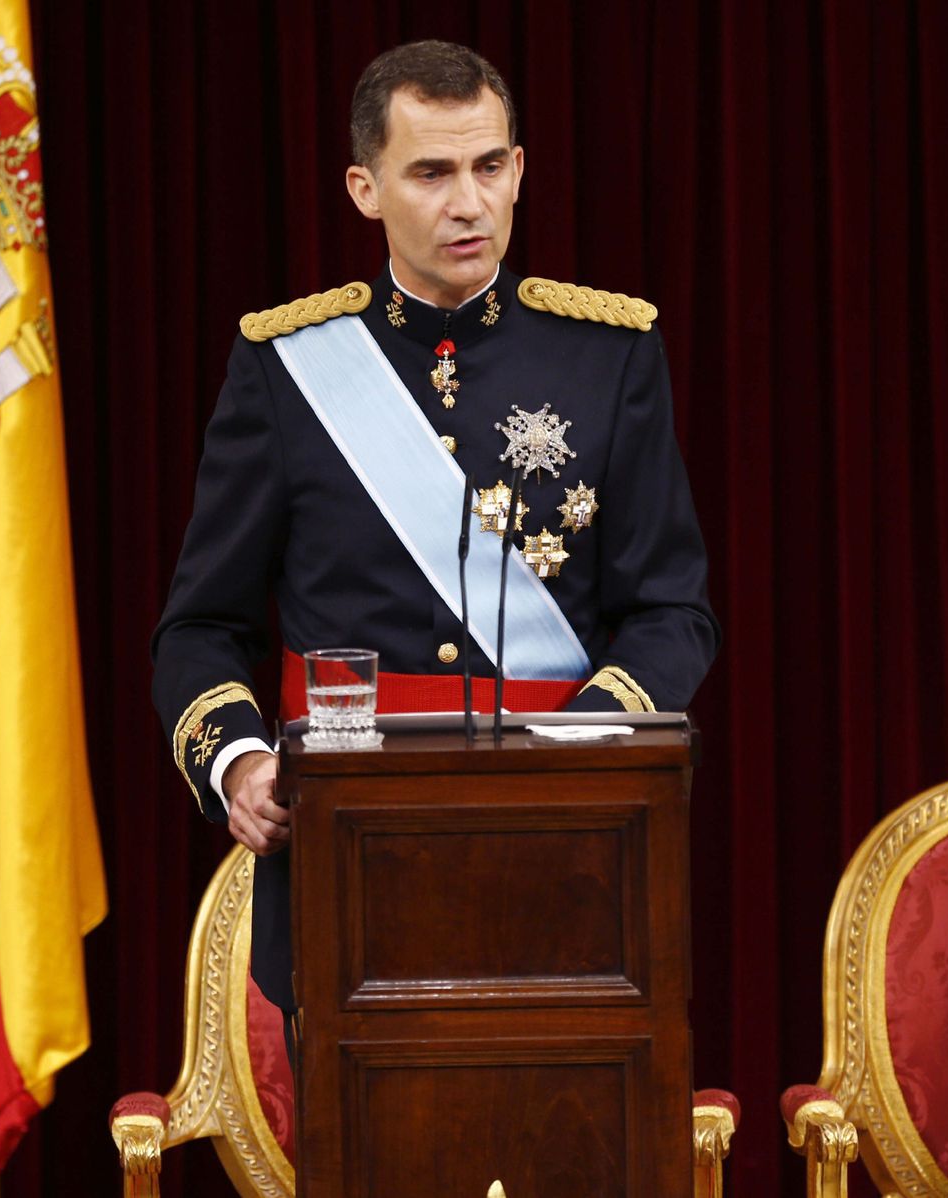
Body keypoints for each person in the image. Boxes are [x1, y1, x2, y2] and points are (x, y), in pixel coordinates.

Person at [151, 40, 719, 1016]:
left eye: (490, 166)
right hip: (346, 863)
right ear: (365, 189)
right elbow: (201, 627)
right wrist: (238, 759)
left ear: (520, 170)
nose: (470, 202)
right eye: (432, 172)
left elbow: (672, 614)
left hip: (569, 856)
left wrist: (573, 747)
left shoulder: (609, 355)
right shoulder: (289, 368)